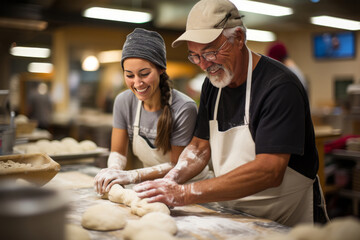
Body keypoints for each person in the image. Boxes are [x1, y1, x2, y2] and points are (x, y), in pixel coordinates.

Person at [133, 0, 329, 227]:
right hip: (237, 215)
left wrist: (184, 193)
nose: (204, 65)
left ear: (239, 38)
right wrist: (170, 181)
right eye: (194, 56)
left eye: (210, 52)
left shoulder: (279, 86)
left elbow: (269, 170)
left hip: (289, 219)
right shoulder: (212, 85)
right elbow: (199, 148)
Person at [94, 28, 208, 195]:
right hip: (152, 187)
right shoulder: (123, 101)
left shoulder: (183, 107)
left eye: (144, 74)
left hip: (187, 189)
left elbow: (177, 165)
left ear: (161, 69)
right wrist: (113, 171)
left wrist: (132, 175)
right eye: (129, 75)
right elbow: (117, 152)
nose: (137, 83)